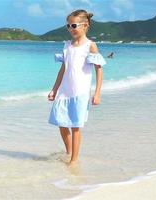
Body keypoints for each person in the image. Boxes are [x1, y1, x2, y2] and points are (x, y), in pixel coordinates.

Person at [48, 9, 106, 166]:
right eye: (68, 26)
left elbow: (98, 69)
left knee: (75, 126)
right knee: (61, 123)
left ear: (85, 26)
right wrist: (54, 89)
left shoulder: (90, 46)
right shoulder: (67, 46)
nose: (70, 29)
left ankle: (74, 160)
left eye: (73, 25)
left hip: (80, 93)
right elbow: (63, 69)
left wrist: (97, 93)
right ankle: (69, 152)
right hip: (64, 92)